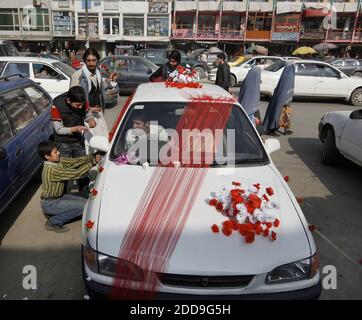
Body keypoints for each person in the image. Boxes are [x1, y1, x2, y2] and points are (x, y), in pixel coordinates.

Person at [37, 141, 103, 233]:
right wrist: (93, 161)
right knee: (84, 207)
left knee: (87, 203)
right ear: (47, 156)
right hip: (50, 203)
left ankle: (55, 213)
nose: (58, 153)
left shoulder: (57, 160)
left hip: (59, 197)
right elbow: (76, 174)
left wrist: (92, 156)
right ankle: (53, 222)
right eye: (55, 152)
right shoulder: (52, 170)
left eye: (57, 151)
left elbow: (74, 162)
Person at [51, 86, 97, 195]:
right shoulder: (56, 106)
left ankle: (84, 194)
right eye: (77, 105)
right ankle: (63, 197)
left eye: (82, 104)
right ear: (68, 100)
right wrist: (74, 129)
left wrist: (90, 119)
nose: (80, 107)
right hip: (62, 144)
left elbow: (87, 112)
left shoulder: (82, 100)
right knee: (64, 173)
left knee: (82, 168)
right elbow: (58, 129)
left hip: (78, 141)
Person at [71, 47, 117, 113]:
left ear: (97, 60)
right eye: (88, 60)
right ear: (84, 61)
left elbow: (100, 88)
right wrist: (88, 110)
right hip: (85, 116)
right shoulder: (78, 75)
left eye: (93, 60)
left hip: (98, 113)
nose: (91, 63)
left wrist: (110, 79)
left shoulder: (97, 73)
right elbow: (73, 101)